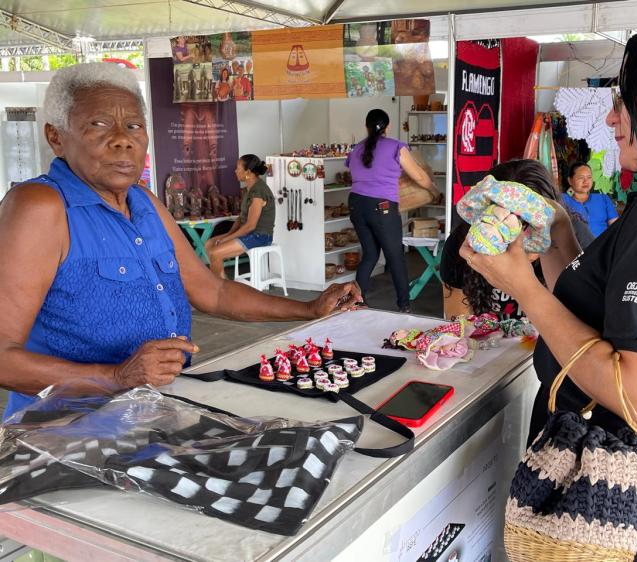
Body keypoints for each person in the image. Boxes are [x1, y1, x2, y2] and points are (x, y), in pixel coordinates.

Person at [460, 16, 637, 561]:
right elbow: (612, 317)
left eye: (626, 100)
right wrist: (557, 234)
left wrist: (520, 285)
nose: (613, 118)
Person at [0, 63, 361, 420]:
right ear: (56, 136)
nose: (122, 139)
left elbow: (213, 292)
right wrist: (115, 377)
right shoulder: (41, 206)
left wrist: (308, 309)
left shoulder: (144, 203)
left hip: (153, 412)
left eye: (134, 126)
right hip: (64, 431)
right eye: (98, 124)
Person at [346, 108, 438, 312]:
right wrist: (433, 189)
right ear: (387, 127)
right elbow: (420, 177)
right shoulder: (396, 146)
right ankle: (404, 305)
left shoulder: (356, 149)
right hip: (382, 207)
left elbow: (357, 171)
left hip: (356, 204)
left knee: (370, 254)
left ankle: (356, 301)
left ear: (366, 127)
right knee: (395, 255)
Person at [441, 159, 558, 319]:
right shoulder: (462, 243)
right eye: (497, 214)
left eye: (524, 221)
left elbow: (572, 326)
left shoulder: (567, 243)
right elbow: (458, 320)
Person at [206, 155, 274, 278]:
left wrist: (226, 239)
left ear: (248, 172)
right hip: (249, 233)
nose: (235, 171)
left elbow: (250, 226)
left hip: (260, 236)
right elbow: (241, 217)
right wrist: (229, 234)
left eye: (238, 168)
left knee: (215, 253)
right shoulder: (250, 189)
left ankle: (218, 287)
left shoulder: (258, 192)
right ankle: (222, 282)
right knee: (209, 244)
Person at [561, 162, 618, 237]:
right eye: (581, 177)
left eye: (589, 177)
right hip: (575, 247)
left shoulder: (603, 199)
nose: (586, 181)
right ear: (570, 181)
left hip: (602, 245)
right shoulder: (562, 199)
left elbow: (615, 228)